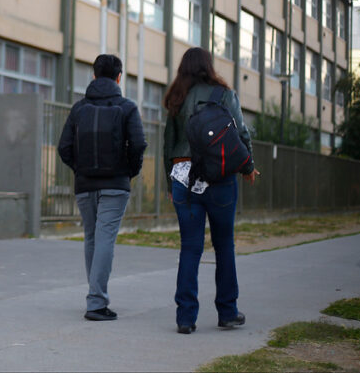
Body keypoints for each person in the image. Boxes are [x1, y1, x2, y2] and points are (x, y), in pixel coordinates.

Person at [163, 47, 259, 334]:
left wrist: (170, 185)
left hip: (184, 179)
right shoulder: (224, 94)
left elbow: (168, 144)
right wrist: (248, 167)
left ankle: (185, 317)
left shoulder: (176, 97)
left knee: (190, 248)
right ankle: (228, 311)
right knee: (224, 245)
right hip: (220, 179)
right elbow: (241, 134)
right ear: (209, 66)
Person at [58, 54, 147, 321]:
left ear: (94, 76)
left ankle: (96, 295)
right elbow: (139, 144)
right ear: (119, 77)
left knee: (92, 237)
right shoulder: (127, 107)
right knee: (105, 238)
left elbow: (64, 147)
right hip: (115, 185)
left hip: (85, 185)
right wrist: (129, 171)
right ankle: (96, 302)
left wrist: (80, 169)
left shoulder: (79, 108)